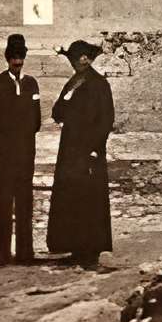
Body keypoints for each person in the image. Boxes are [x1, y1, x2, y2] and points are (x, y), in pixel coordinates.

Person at [0, 32, 42, 265]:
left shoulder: (32, 84)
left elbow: (36, 120)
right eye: (13, 57)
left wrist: (25, 141)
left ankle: (25, 253)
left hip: (25, 155)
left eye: (21, 57)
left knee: (25, 203)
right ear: (6, 58)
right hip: (4, 156)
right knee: (5, 204)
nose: (17, 62)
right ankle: (2, 254)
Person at [47, 38, 114, 269]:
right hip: (70, 150)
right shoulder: (73, 82)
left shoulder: (100, 84)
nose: (80, 61)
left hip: (90, 150)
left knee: (90, 200)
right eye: (75, 58)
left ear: (90, 58)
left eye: (84, 57)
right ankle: (75, 247)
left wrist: (96, 148)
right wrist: (67, 97)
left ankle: (91, 251)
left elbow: (106, 119)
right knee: (71, 197)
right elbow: (57, 113)